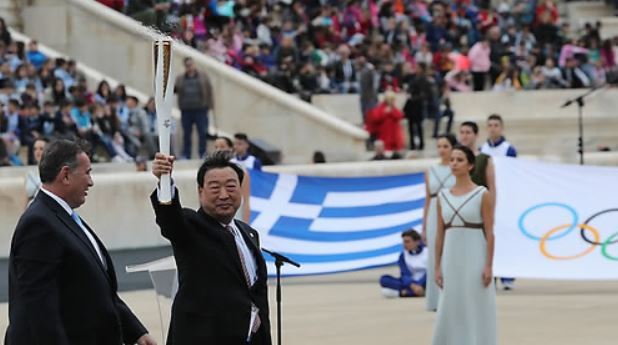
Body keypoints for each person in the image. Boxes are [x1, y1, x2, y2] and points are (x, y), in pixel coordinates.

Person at [5, 139, 156, 345]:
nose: (91, 182)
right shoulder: (39, 224)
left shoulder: (63, 217)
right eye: (87, 173)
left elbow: (95, 290)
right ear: (66, 175)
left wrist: (136, 332)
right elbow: (40, 311)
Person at [151, 151, 272, 345]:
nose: (224, 195)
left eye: (231, 187)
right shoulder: (190, 226)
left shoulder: (248, 233)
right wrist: (164, 182)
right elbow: (169, 219)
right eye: (215, 188)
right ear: (201, 191)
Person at [432, 144, 496, 345]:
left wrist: (488, 265)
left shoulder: (481, 194)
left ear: (470, 166)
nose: (454, 164)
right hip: (451, 257)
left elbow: (490, 232)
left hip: (475, 253)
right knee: (451, 303)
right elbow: (440, 235)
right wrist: (437, 267)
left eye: (459, 160)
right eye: (452, 160)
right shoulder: (442, 196)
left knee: (474, 302)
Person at [480, 114, 516, 290]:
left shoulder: (509, 149)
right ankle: (491, 273)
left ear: (501, 128)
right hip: (487, 196)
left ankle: (507, 275)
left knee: (504, 235)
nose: (493, 128)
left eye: (496, 125)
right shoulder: (483, 149)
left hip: (504, 196)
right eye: (490, 125)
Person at [422, 134, 457, 311]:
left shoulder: (457, 168)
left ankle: (451, 298)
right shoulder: (430, 170)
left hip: (451, 208)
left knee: (450, 252)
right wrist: (424, 225)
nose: (442, 150)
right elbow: (428, 198)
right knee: (435, 255)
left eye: (445, 146)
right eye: (439, 146)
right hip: (434, 213)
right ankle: (435, 300)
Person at [175, 57, 214, 159]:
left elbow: (209, 91)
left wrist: (210, 106)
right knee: (186, 134)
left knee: (202, 132)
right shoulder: (180, 78)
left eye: (191, 65)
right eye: (187, 65)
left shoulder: (203, 76)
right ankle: (186, 154)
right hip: (186, 109)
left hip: (201, 109)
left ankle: (202, 153)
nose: (189, 67)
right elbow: (175, 90)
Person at [379, 229, 428, 298]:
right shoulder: (403, 256)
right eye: (404, 242)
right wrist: (412, 285)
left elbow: (430, 272)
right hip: (410, 282)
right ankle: (415, 292)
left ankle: (404, 293)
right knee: (384, 279)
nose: (404, 244)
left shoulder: (428, 252)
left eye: (407, 242)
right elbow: (405, 273)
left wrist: (419, 284)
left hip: (425, 282)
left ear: (417, 242)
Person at [214, 135, 252, 223]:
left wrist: (246, 224)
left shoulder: (240, 171)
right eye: (216, 147)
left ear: (231, 148)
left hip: (236, 215)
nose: (219, 150)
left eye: (222, 147)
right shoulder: (209, 171)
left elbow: (246, 201)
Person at [458, 121, 496, 205]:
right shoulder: (454, 158)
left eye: (468, 133)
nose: (464, 136)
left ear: (476, 135)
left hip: (479, 204)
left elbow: (491, 187)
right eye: (462, 132)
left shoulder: (485, 159)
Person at [24, 137, 47, 206]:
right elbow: (26, 198)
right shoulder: (29, 174)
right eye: (35, 149)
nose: (37, 151)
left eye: (41, 149)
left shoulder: (54, 172)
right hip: (31, 210)